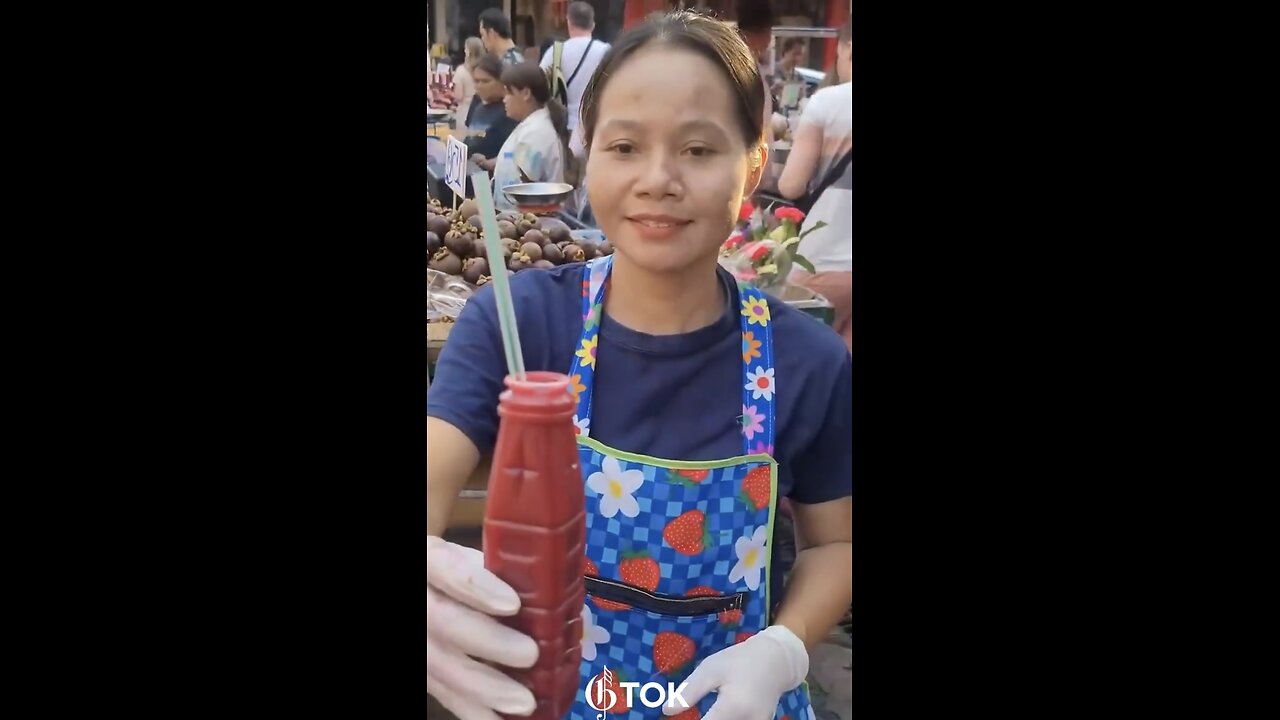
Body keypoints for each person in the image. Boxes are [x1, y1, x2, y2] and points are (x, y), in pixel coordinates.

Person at [426, 11, 852, 720]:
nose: (658, 179)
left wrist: (784, 647)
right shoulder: (522, 322)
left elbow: (834, 543)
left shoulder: (805, 360)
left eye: (696, 149)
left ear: (752, 164)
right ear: (586, 156)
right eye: (624, 146)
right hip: (547, 697)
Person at [778, 19, 852, 352]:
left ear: (848, 47)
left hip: (824, 260)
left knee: (800, 358)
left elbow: (791, 186)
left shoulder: (826, 102)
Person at [487, 62, 579, 211]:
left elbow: (522, 185)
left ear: (526, 94)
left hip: (527, 226)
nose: (504, 99)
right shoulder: (533, 126)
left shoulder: (536, 133)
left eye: (509, 92)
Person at [539, 1, 610, 159]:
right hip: (595, 127)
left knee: (567, 178)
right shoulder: (606, 52)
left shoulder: (555, 51)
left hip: (563, 127)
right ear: (592, 24)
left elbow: (539, 83)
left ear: (569, 22)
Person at [461, 54, 518, 165]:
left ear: (501, 82)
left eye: (485, 81)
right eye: (476, 81)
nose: (479, 86)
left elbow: (515, 154)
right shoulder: (477, 105)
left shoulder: (510, 111)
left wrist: (490, 163)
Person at [451, 37, 485, 131]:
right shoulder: (485, 70)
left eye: (465, 48)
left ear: (468, 51)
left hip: (465, 112)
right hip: (483, 110)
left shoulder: (461, 70)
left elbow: (458, 96)